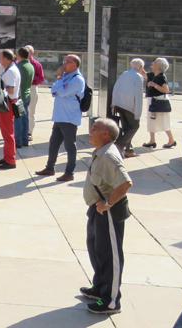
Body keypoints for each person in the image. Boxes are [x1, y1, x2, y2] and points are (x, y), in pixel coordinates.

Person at [81, 118, 132, 315]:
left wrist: (108, 203)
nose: (90, 130)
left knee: (110, 255)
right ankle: (100, 288)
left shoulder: (109, 156)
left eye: (95, 128)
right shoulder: (101, 152)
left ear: (106, 135)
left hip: (108, 212)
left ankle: (111, 300)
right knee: (96, 248)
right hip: (97, 209)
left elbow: (126, 183)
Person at [36, 54, 85, 182]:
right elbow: (53, 91)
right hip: (59, 116)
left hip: (69, 118)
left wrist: (58, 81)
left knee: (70, 146)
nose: (63, 64)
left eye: (67, 62)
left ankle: (69, 172)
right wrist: (59, 80)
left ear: (74, 64)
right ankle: (50, 168)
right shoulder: (65, 77)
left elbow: (62, 92)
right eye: (64, 61)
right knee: (53, 144)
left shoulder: (77, 79)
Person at [112, 59, 145, 158]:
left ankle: (129, 150)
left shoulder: (124, 74)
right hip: (130, 106)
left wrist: (114, 103)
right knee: (134, 127)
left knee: (127, 128)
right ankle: (119, 145)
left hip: (119, 104)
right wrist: (138, 113)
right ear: (140, 67)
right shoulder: (138, 77)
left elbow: (116, 88)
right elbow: (138, 96)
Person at [0, 49, 20, 170]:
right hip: (10, 103)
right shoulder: (11, 69)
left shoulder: (10, 71)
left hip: (8, 103)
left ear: (6, 58)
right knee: (7, 133)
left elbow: (10, 90)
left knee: (8, 133)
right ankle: (7, 158)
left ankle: (10, 160)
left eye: (1, 58)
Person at [142, 57, 175, 148]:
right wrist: (139, 66)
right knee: (151, 121)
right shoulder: (153, 74)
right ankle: (152, 141)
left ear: (159, 66)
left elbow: (166, 90)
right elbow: (144, 74)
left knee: (163, 122)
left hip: (158, 102)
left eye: (155, 63)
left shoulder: (161, 77)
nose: (152, 64)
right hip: (153, 101)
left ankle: (171, 140)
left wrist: (154, 85)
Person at [15, 47, 34, 148]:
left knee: (18, 119)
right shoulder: (30, 65)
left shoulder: (19, 66)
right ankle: (25, 140)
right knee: (25, 118)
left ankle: (18, 141)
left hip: (20, 96)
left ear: (20, 55)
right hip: (27, 95)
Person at [26, 45, 44, 141]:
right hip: (21, 88)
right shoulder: (18, 63)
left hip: (32, 88)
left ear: (32, 53)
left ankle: (29, 132)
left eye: (28, 51)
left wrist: (30, 79)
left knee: (31, 112)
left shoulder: (36, 64)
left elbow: (41, 78)